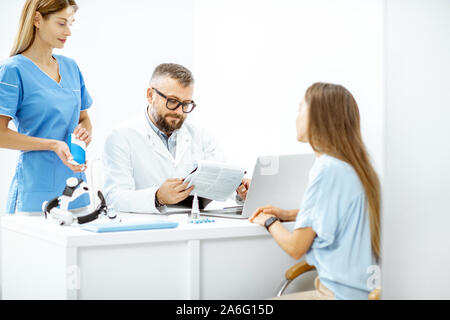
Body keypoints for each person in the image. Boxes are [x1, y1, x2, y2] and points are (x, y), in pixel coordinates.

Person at [249, 82, 381, 300]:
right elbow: (338, 214)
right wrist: (290, 214)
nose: (296, 117)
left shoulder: (327, 169)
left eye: (300, 108)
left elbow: (295, 247)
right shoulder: (359, 169)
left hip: (335, 295)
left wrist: (268, 221)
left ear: (319, 117)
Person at [103, 63, 250, 213]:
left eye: (186, 104)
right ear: (150, 95)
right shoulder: (121, 137)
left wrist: (239, 191)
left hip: (193, 226)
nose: (179, 112)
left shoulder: (200, 135)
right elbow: (114, 197)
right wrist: (157, 197)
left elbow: (219, 181)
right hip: (145, 230)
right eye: (172, 101)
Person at [0, 0, 93, 213]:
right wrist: (52, 144)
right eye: (61, 23)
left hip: (76, 191)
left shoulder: (70, 67)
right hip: (36, 194)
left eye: (71, 23)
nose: (68, 32)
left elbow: (84, 118)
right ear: (37, 19)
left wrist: (85, 133)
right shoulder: (12, 71)